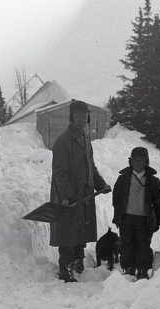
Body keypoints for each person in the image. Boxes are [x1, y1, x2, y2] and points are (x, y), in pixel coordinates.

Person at [49, 100, 111, 282]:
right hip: (68, 194)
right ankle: (64, 267)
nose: (82, 120)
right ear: (71, 117)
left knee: (80, 228)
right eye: (78, 116)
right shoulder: (62, 141)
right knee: (68, 231)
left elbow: (90, 166)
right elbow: (59, 172)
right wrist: (67, 196)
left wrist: (100, 184)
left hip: (83, 193)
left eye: (84, 117)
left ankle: (77, 260)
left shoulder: (85, 138)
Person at [112, 147, 160, 280]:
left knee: (143, 246)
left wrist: (157, 221)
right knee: (126, 245)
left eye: (140, 161)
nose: (137, 163)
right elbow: (116, 198)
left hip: (144, 220)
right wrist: (119, 214)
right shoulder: (123, 179)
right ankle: (128, 270)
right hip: (126, 218)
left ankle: (142, 270)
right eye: (134, 160)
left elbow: (158, 203)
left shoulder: (153, 181)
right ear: (130, 162)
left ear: (146, 161)